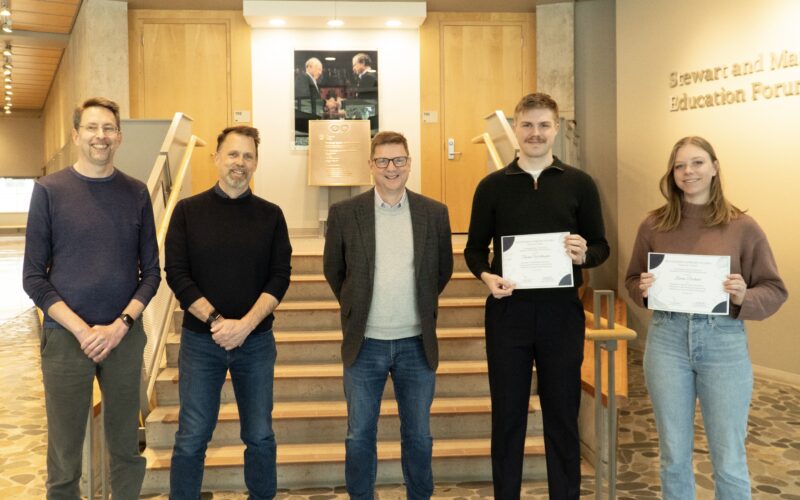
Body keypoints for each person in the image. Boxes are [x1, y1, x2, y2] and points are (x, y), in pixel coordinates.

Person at [624, 136, 787, 499]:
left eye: (697, 163)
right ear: (672, 174)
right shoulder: (653, 225)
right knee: (673, 455)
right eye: (680, 165)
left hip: (723, 341)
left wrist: (745, 296)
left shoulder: (742, 227)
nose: (688, 172)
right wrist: (644, 288)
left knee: (729, 457)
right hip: (667, 339)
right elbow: (632, 280)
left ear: (714, 167)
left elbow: (775, 290)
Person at [465, 92, 609, 500]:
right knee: (507, 417)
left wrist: (586, 253)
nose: (535, 133)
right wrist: (486, 275)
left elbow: (601, 246)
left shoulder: (580, 184)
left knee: (562, 416)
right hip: (507, 314)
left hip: (562, 316)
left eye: (544, 125)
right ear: (515, 128)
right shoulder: (492, 187)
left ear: (557, 129)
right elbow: (474, 249)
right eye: (527, 125)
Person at [22, 97, 160, 499]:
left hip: (123, 337)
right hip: (67, 339)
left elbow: (151, 273)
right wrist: (84, 330)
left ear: (119, 136)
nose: (101, 136)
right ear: (76, 134)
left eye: (109, 129)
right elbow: (33, 277)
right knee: (64, 455)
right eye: (92, 128)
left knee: (125, 449)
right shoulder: (49, 191)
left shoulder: (136, 193)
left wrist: (121, 326)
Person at [323, 131, 453, 499]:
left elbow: (440, 272)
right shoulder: (345, 214)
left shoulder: (434, 212)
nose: (391, 168)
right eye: (382, 161)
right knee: (359, 435)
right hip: (365, 344)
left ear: (409, 163)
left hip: (416, 342)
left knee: (419, 435)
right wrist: (357, 308)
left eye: (398, 160)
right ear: (370, 166)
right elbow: (334, 271)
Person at [164, 125, 292, 499]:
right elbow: (177, 274)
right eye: (233, 154)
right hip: (201, 343)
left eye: (248, 156)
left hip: (256, 344)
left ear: (256, 162)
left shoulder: (271, 216)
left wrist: (246, 326)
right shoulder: (188, 212)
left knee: (260, 435)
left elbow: (279, 277)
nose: (240, 162)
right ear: (216, 158)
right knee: (192, 436)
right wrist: (219, 323)